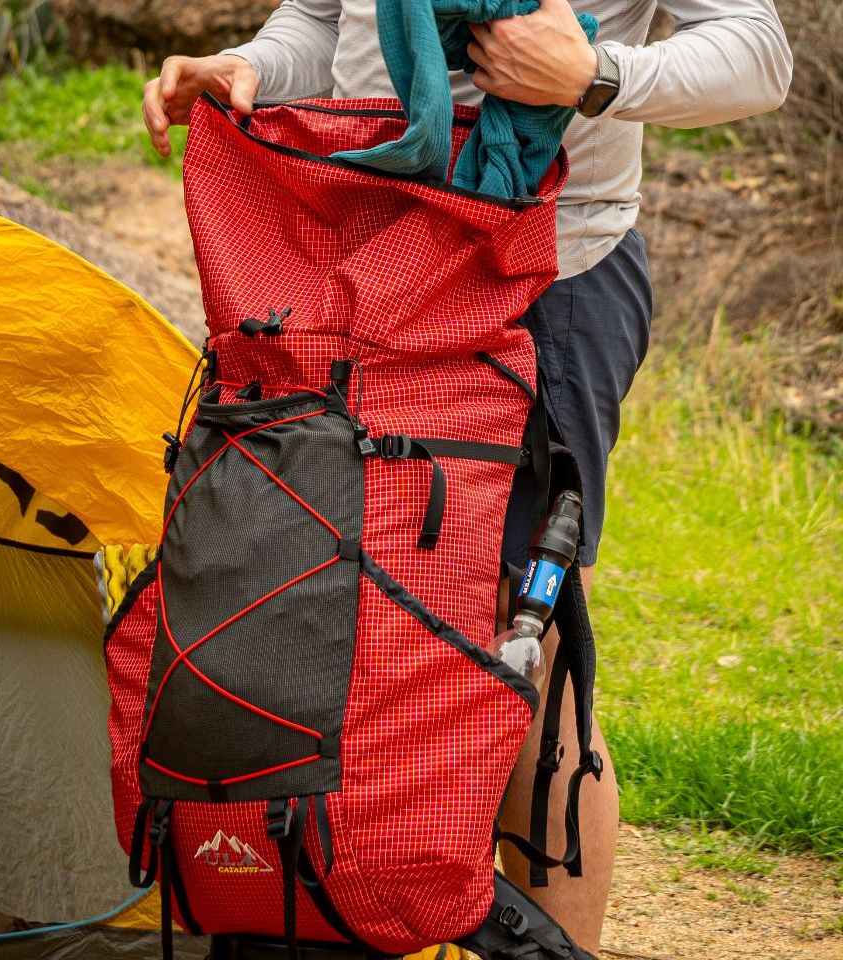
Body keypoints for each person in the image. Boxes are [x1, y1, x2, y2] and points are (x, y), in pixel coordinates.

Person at [141, 1, 792, 950]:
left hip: (548, 273)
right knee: (329, 604)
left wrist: (596, 78)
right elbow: (327, 22)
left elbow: (759, 54)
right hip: (361, 256)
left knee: (514, 640)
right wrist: (248, 65)